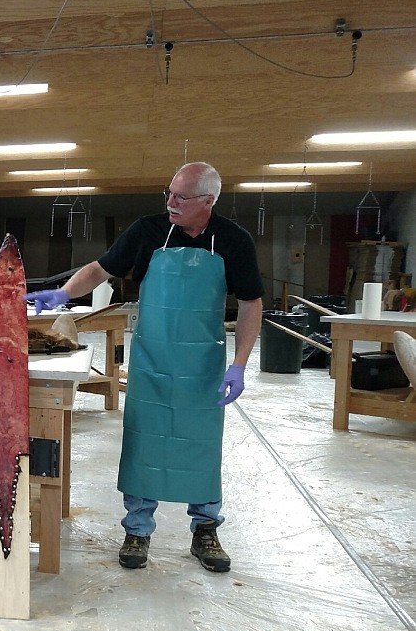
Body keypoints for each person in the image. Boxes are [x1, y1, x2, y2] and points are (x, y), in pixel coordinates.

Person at [26, 162, 263, 574]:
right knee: (144, 442)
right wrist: (63, 292)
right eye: (168, 192)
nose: (171, 202)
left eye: (182, 197)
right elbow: (101, 269)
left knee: (200, 444)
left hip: (202, 365)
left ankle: (205, 528)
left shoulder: (233, 240)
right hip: (152, 359)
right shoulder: (149, 230)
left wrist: (239, 365)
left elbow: (250, 303)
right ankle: (137, 529)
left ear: (208, 201)